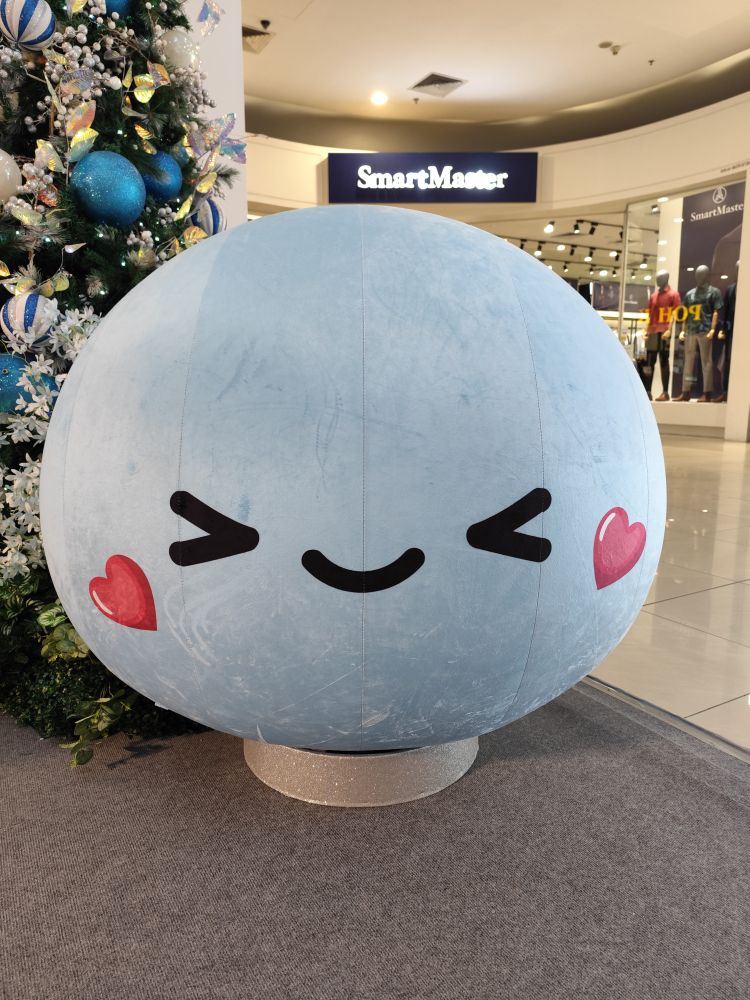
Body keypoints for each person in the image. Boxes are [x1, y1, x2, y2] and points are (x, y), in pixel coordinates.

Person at [674, 265, 723, 402]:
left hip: (704, 329)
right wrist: (683, 330)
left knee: (706, 361)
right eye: (697, 275)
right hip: (691, 330)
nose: (699, 278)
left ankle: (707, 392)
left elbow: (716, 311)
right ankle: (685, 392)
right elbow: (685, 313)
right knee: (688, 361)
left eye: (701, 275)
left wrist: (713, 329)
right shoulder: (690, 294)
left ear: (707, 276)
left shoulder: (714, 292)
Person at [644, 270, 679, 400]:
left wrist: (669, 329)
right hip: (653, 331)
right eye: (657, 278)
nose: (658, 281)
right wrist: (646, 331)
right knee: (649, 362)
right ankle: (647, 391)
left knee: (664, 361)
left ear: (666, 279)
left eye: (660, 278)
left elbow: (675, 313)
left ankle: (665, 391)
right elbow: (650, 314)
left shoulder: (673, 294)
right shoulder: (653, 296)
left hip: (664, 331)